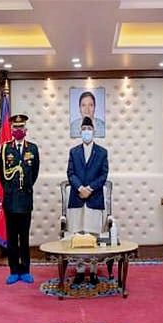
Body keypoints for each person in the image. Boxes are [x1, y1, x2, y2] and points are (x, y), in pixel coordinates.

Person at [66, 116, 109, 285]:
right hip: (77, 198)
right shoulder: (73, 151)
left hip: (94, 198)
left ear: (94, 131)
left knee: (93, 236)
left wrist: (90, 189)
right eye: (83, 129)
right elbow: (70, 174)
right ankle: (79, 270)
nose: (86, 132)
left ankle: (92, 271)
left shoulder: (102, 152)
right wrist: (79, 188)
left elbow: (104, 175)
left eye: (89, 129)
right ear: (80, 131)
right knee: (78, 235)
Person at [0, 114, 40, 284]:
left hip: (25, 200)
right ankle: (13, 270)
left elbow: (35, 172)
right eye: (15, 127)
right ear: (11, 129)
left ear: (26, 129)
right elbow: (1, 174)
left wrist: (26, 187)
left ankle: (25, 270)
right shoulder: (5, 149)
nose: (18, 130)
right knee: (11, 237)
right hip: (10, 200)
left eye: (21, 127)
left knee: (24, 237)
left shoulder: (33, 148)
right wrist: (10, 190)